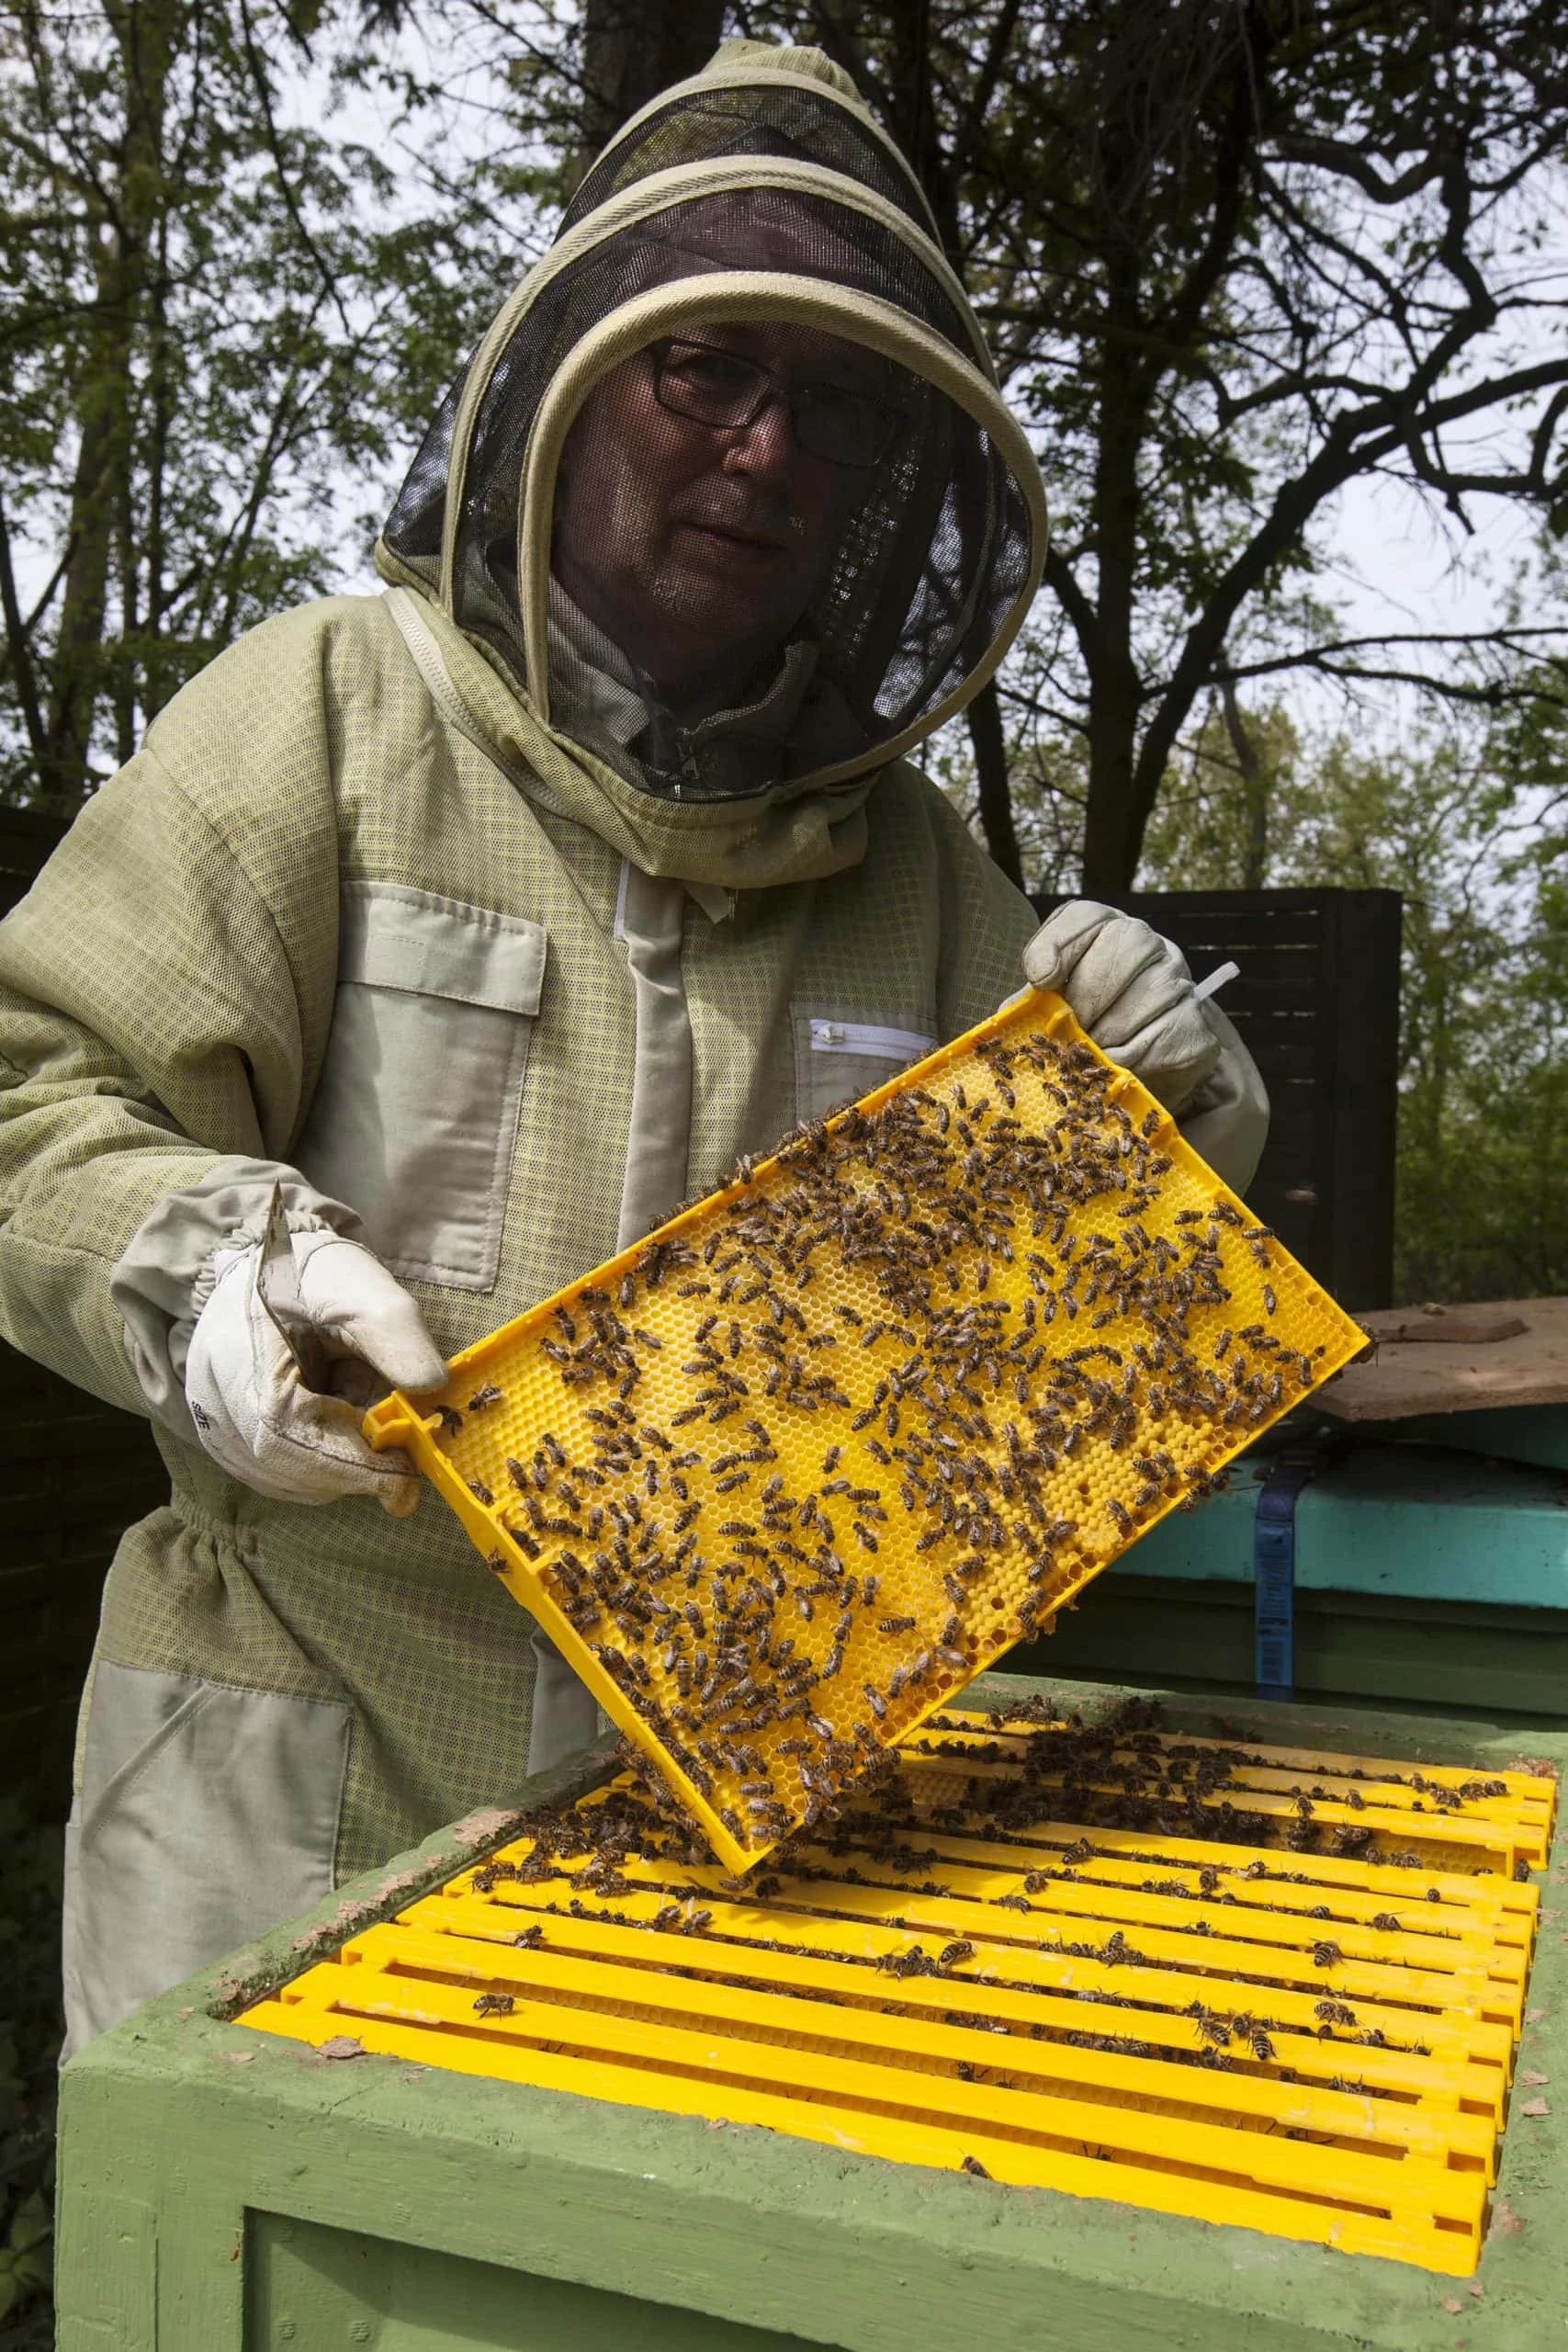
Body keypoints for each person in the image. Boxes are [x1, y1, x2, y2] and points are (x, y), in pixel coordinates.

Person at [0, 39, 1266, 2053]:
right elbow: (28, 1097)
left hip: (758, 1858)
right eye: (710, 373)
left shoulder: (930, 885)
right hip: (289, 1787)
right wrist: (203, 1272)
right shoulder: (326, 718)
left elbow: (1040, 1369)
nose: (764, 449)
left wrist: (1175, 1110)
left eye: (830, 404)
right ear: (576, 380)